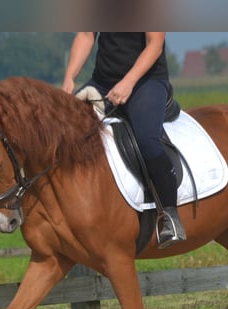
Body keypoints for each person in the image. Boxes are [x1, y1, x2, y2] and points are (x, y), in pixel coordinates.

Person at [62, 32, 186, 248]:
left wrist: (128, 82)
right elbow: (85, 35)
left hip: (146, 83)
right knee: (64, 131)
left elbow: (154, 45)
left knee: (147, 141)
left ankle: (169, 216)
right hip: (102, 82)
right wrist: (69, 79)